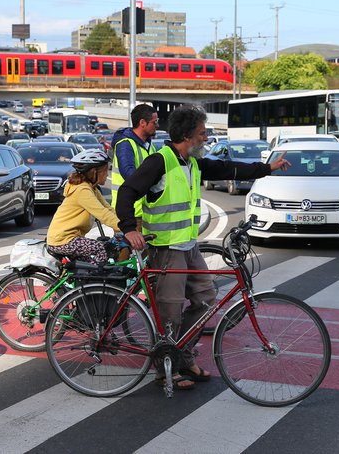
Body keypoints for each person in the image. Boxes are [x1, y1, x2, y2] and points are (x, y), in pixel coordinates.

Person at [116, 106, 290, 391]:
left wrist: (267, 168)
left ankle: (182, 355)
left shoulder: (193, 163)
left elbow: (228, 168)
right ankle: (166, 370)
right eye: (202, 133)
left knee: (207, 301)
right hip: (165, 248)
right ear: (187, 136)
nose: (206, 138)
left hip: (189, 246)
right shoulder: (160, 162)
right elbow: (127, 190)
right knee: (170, 312)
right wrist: (128, 228)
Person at [46, 149, 121, 264]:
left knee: (87, 268)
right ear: (93, 172)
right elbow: (102, 214)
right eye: (105, 171)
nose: (107, 174)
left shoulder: (91, 188)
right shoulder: (82, 190)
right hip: (62, 240)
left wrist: (126, 223)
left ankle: (88, 281)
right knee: (100, 249)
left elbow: (108, 209)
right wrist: (126, 228)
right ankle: (100, 281)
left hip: (70, 239)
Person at [110, 104, 158, 231]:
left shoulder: (149, 145)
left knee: (146, 251)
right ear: (142, 122)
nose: (157, 125)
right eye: (154, 122)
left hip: (146, 212)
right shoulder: (125, 145)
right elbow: (129, 175)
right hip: (130, 213)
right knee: (128, 250)